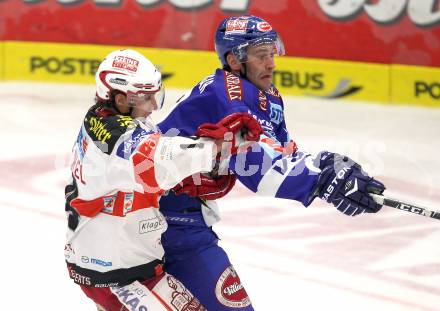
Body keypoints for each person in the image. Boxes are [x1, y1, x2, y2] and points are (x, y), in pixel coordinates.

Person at [156, 15, 386, 310]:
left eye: (272, 53)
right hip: (160, 218)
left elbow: (281, 153)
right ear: (235, 60)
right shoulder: (225, 93)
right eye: (261, 56)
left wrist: (327, 165)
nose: (271, 64)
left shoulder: (269, 97)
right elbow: (258, 170)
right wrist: (321, 178)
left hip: (183, 220)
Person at [63, 48, 263, 311]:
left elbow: (146, 165)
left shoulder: (108, 119)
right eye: (144, 98)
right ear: (119, 98)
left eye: (154, 95)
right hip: (120, 275)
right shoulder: (115, 137)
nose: (153, 106)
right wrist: (220, 144)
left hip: (113, 262)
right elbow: (159, 159)